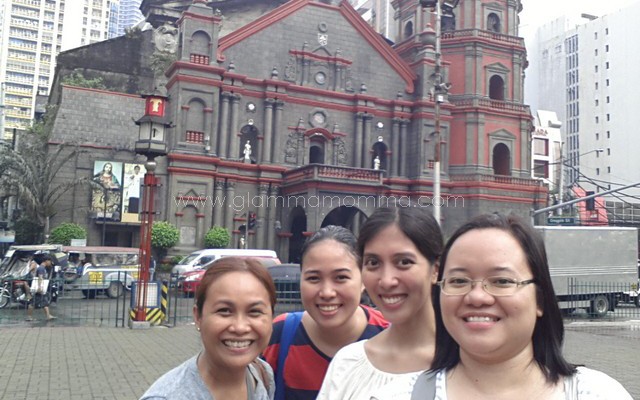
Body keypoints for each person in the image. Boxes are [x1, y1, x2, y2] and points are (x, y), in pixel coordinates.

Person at [421, 213, 632, 399]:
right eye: (458, 281)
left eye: (502, 281)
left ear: (539, 300)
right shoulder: (400, 394)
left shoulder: (598, 393)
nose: (477, 297)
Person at [317, 207, 444, 399]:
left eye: (403, 262)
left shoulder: (470, 362)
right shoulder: (348, 363)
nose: (386, 280)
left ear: (435, 270)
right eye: (373, 263)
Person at [262, 225, 388, 400]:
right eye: (313, 278)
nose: (327, 292)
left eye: (341, 277)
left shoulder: (391, 335)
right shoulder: (280, 335)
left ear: (363, 280)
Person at [141, 257, 276, 400]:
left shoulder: (262, 374)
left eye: (254, 311)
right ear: (198, 316)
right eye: (224, 310)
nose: (239, 327)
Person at [26, 256, 56, 321]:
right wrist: (40, 287)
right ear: (46, 261)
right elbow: (40, 277)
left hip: (41, 287)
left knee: (44, 302)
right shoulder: (41, 268)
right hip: (39, 288)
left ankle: (48, 315)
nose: (50, 263)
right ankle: (29, 317)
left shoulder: (42, 268)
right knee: (33, 303)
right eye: (50, 261)